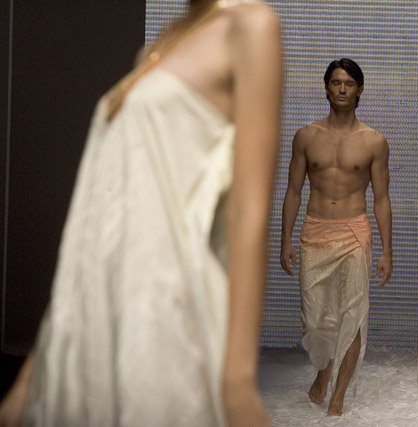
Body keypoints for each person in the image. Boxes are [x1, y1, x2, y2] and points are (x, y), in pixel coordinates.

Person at [0, 1, 281, 426]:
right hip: (99, 309)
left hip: (165, 313)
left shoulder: (249, 26)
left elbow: (248, 211)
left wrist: (238, 379)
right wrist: (31, 372)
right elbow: (94, 223)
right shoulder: (161, 43)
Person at [280, 58, 393, 416]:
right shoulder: (306, 136)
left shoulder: (374, 141)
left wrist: (387, 250)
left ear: (360, 90)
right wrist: (285, 239)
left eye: (349, 83)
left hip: (354, 232)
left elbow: (382, 198)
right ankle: (323, 369)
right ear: (326, 88)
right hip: (314, 230)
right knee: (315, 318)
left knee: (352, 314)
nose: (342, 89)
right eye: (336, 82)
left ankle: (339, 392)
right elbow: (293, 190)